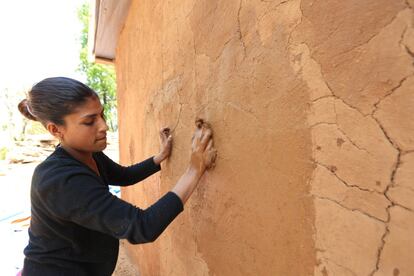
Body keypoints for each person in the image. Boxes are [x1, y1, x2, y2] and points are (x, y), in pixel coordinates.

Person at [17, 77, 217, 276]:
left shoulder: (88, 154)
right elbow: (143, 226)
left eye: (102, 115)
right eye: (89, 121)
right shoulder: (59, 180)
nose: (104, 126)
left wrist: (160, 157)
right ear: (55, 129)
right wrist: (193, 170)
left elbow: (123, 175)